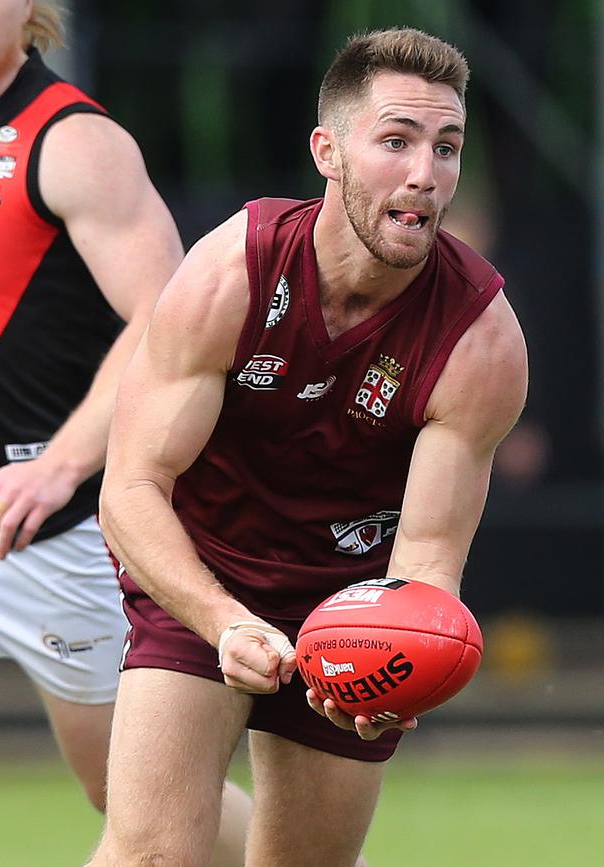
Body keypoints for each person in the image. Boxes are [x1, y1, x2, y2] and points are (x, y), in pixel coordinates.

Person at [92, 26, 528, 867]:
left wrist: (403, 669)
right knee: (152, 855)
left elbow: (428, 559)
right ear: (327, 151)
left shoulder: (483, 341)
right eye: (395, 141)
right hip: (203, 567)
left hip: (351, 602)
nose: (424, 174)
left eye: (447, 147)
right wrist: (223, 622)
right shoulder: (231, 272)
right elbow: (131, 489)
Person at [0, 2, 251, 862]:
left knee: (130, 793)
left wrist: (59, 464)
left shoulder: (76, 142)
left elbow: (163, 317)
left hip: (42, 529)